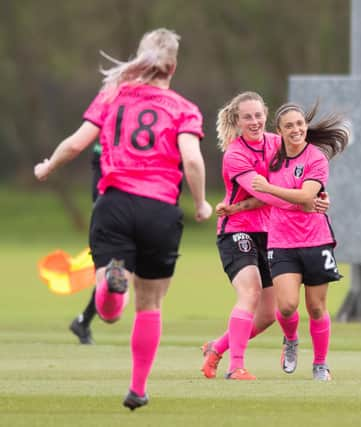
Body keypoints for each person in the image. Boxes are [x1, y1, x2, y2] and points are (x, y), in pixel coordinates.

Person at [34, 28, 212, 410]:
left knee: (113, 309)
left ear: (140, 59)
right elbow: (193, 160)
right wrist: (200, 204)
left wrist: (48, 166)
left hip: (113, 204)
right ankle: (137, 388)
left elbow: (77, 143)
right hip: (160, 210)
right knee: (150, 306)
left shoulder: (112, 96)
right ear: (173, 66)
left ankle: (112, 288)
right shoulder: (183, 108)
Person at [201, 92, 329, 380]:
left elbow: (298, 178)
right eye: (247, 117)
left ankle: (216, 348)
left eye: (258, 115)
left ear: (266, 115)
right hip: (237, 230)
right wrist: (306, 201)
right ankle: (236, 367)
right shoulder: (235, 154)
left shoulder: (277, 142)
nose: (255, 121)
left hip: (274, 232)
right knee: (250, 292)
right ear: (237, 120)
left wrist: (318, 194)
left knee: (270, 314)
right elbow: (264, 194)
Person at [250, 101, 350, 381]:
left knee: (316, 307)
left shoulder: (315, 158)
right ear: (278, 131)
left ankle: (320, 364)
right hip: (281, 241)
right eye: (289, 125)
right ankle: (291, 340)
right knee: (286, 306)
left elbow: (307, 197)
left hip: (316, 240)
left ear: (306, 127)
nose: (296, 129)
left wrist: (271, 189)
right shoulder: (270, 155)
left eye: (300, 124)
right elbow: (264, 191)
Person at [69, 142, 102, 345]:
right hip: (110, 224)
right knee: (114, 279)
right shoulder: (105, 154)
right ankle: (83, 321)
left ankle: (83, 321)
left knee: (117, 279)